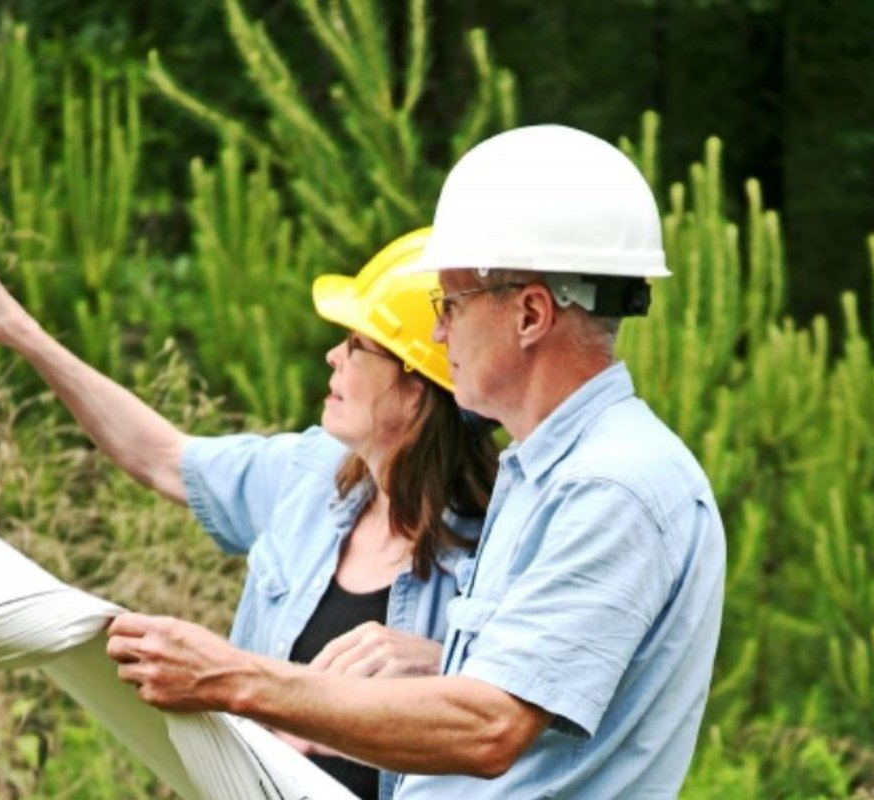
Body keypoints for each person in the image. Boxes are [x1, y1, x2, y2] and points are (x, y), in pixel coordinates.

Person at [99, 124, 724, 797]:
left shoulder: (612, 487)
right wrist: (441, 665)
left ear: (531, 315)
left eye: (449, 303)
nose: (435, 331)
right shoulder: (539, 474)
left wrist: (233, 678)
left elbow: (490, 729)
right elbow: (517, 699)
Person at [0, 220, 497, 800]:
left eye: (356, 345)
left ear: (416, 387)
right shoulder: (311, 474)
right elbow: (164, 457)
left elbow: (530, 720)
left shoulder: (501, 543)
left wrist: (442, 664)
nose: (332, 355)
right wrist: (20, 332)